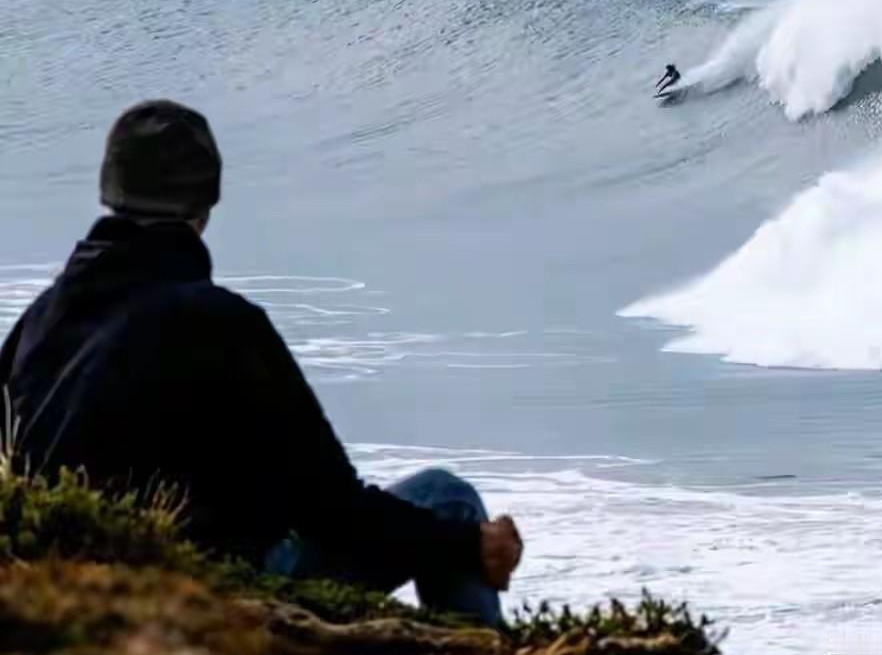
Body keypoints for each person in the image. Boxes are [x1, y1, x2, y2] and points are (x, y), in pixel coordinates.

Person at [0, 100, 521, 627]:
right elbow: (334, 506)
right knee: (446, 498)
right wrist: (466, 544)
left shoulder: (38, 321)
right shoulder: (220, 322)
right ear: (206, 205)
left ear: (109, 193)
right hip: (210, 594)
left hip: (56, 591)